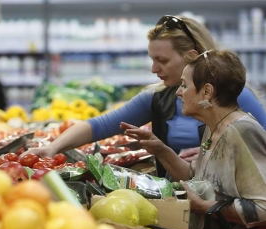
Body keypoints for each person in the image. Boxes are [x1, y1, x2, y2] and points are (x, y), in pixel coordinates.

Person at [21, 15, 266, 178]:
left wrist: (213, 154)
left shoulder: (237, 97)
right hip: (179, 200)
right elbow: (100, 125)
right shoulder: (158, 98)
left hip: (228, 213)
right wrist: (52, 148)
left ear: (192, 57)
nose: (153, 69)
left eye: (162, 60)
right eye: (152, 59)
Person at [121, 49, 266, 229]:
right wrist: (161, 150)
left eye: (184, 85)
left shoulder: (241, 131)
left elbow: (262, 207)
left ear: (207, 91)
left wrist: (204, 207)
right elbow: (198, 179)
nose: (179, 92)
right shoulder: (214, 127)